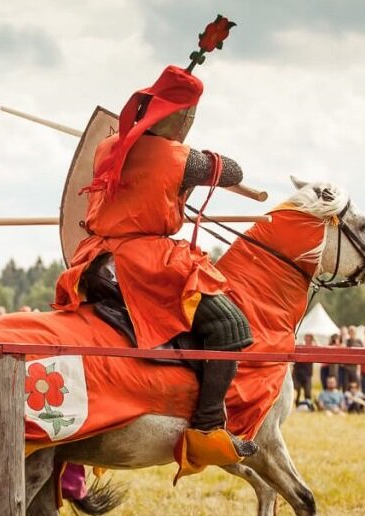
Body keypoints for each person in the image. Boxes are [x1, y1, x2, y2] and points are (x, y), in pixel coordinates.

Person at [53, 20, 256, 461]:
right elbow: (234, 171)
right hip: (144, 264)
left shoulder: (110, 148)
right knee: (231, 327)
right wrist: (197, 159)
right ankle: (207, 429)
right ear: (181, 117)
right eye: (189, 117)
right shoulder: (178, 158)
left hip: (94, 262)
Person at [292, 333, 315, 407]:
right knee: (296, 389)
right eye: (306, 337)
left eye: (309, 337)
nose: (307, 339)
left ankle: (308, 405)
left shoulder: (314, 347)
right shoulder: (300, 345)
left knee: (307, 391)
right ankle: (296, 405)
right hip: (297, 372)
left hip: (307, 373)